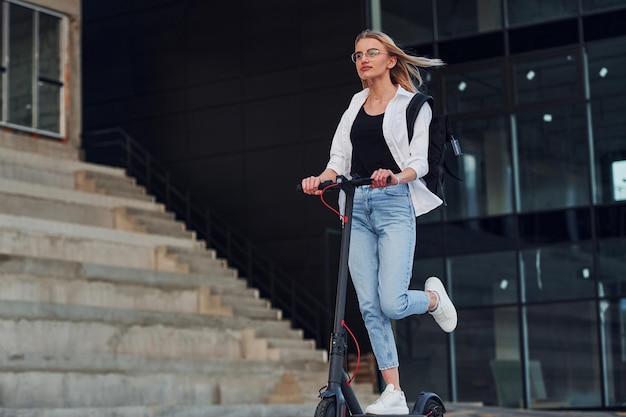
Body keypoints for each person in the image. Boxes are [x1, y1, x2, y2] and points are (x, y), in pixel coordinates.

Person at [300, 30, 458, 415]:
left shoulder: (413, 105)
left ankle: (434, 299)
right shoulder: (354, 105)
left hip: (393, 205)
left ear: (391, 60)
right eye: (357, 55)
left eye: (372, 52)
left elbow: (418, 162)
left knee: (391, 301)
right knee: (369, 305)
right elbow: (338, 158)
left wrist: (394, 176)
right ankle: (394, 393)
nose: (364, 59)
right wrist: (319, 179)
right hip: (356, 206)